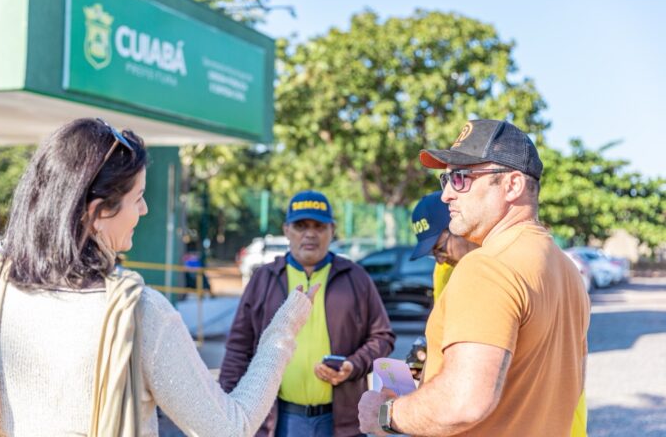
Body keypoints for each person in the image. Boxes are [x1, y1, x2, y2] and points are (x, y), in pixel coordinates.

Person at [0, 117, 319, 437]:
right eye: (137, 197)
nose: (144, 209)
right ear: (98, 212)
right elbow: (229, 428)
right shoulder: (138, 314)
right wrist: (282, 331)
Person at [359, 119, 590, 436]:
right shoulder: (566, 269)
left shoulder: (487, 267)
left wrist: (386, 414)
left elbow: (464, 402)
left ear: (512, 185)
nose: (446, 195)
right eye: (446, 179)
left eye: (461, 178)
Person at [220, 190, 395, 437]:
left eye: (319, 226)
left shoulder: (356, 278)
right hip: (277, 421)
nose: (310, 234)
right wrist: (227, 406)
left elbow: (382, 337)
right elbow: (238, 348)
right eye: (301, 226)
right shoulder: (264, 279)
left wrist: (352, 365)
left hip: (341, 422)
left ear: (332, 230)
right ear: (286, 230)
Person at [407, 191, 478, 379]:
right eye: (434, 254)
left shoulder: (501, 264)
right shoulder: (444, 270)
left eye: (440, 249)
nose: (440, 260)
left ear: (461, 226)